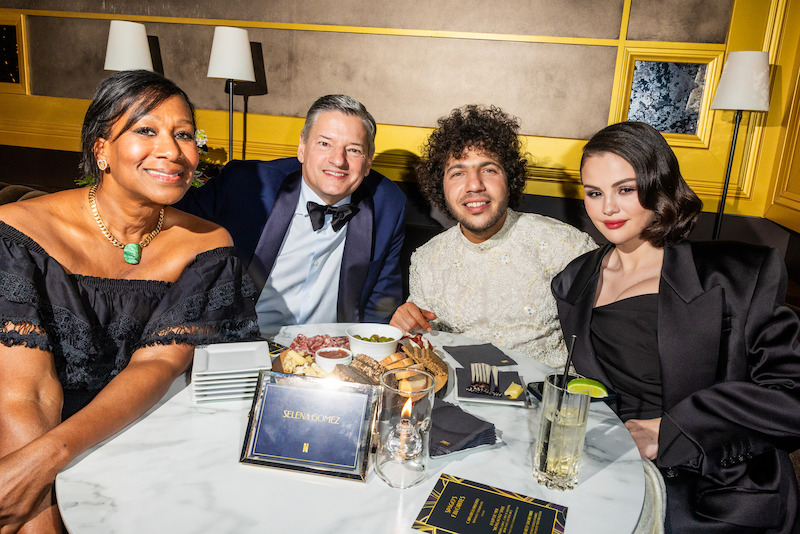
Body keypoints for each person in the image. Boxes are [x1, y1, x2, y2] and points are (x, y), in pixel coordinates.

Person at [0, 70, 258, 533]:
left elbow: (156, 366)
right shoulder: (17, 232)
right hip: (21, 428)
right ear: (101, 149)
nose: (171, 150)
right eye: (146, 130)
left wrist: (51, 459)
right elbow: (25, 393)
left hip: (138, 432)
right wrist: (36, 489)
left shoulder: (206, 244)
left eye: (184, 134)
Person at [551, 121, 800, 533]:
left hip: (718, 492)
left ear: (659, 186)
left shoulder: (740, 274)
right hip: (615, 473)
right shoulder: (573, 281)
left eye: (625, 189)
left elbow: (791, 399)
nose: (607, 208)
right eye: (594, 193)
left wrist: (672, 430)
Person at [175, 95, 407, 333]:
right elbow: (171, 218)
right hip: (243, 342)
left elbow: (381, 306)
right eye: (325, 144)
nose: (339, 160)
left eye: (354, 150)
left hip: (330, 349)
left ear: (368, 162)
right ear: (302, 147)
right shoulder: (248, 185)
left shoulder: (388, 205)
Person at [390, 105, 596, 366]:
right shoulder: (425, 260)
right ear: (441, 187)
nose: (474, 185)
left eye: (488, 170)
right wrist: (406, 325)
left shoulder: (565, 246)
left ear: (509, 179)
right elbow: (421, 347)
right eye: (458, 173)